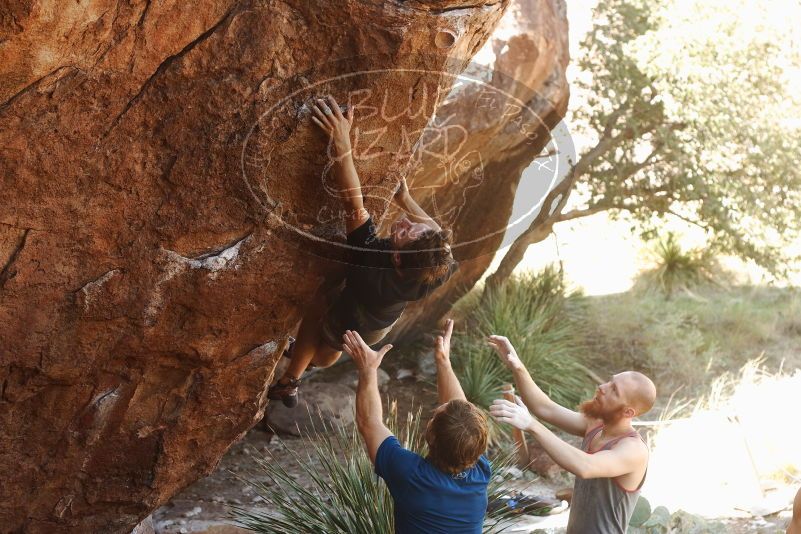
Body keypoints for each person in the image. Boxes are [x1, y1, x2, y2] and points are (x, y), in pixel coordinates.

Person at [268, 96, 454, 407]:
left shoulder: (370, 262)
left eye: (406, 233)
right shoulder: (435, 264)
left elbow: (353, 201)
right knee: (329, 351)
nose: (408, 224)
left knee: (320, 310)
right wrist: (405, 200)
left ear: (395, 258)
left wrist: (341, 138)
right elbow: (435, 232)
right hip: (380, 326)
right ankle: (306, 357)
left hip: (360, 312)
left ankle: (290, 380)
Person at [487, 335, 656, 534]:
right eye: (609, 382)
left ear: (628, 412)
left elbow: (585, 466)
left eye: (614, 390)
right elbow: (545, 408)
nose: (602, 387)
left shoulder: (634, 449)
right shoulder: (596, 425)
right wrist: (517, 367)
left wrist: (532, 425)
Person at [343, 319, 490, 534]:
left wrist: (368, 369)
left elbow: (369, 423)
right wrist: (443, 361)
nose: (442, 404)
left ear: (431, 436)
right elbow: (462, 415)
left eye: (435, 414)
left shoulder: (412, 475)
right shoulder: (480, 471)